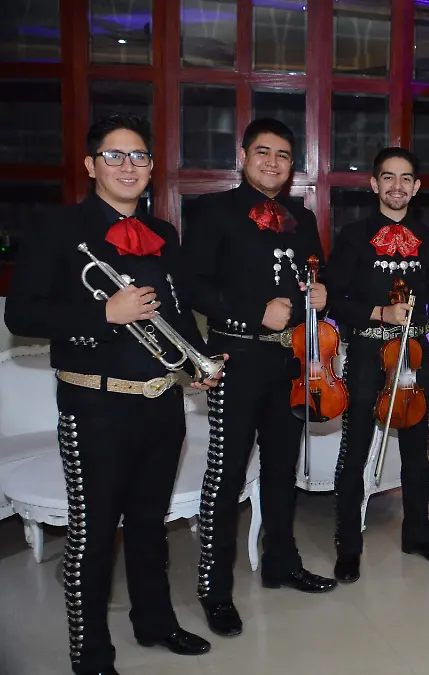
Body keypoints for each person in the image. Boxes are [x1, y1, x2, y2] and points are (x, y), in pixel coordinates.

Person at [5, 113, 215, 674]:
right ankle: (90, 652)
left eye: (140, 157)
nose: (129, 166)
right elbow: (23, 313)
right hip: (94, 406)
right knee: (93, 535)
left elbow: (174, 314)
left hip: (161, 403)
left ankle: (155, 623)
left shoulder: (164, 235)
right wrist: (104, 311)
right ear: (91, 164)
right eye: (116, 156)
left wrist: (197, 360)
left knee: (151, 527)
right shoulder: (55, 228)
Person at [181, 118, 338, 638]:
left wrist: (322, 293)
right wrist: (253, 312)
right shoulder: (212, 210)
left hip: (292, 363)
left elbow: (316, 275)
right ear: (243, 155)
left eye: (284, 155)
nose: (273, 162)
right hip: (236, 359)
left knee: (281, 469)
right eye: (263, 152)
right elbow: (193, 286)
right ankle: (215, 589)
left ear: (293, 166)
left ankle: (281, 563)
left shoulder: (302, 215)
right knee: (224, 477)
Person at [324, 147, 429, 582]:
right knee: (355, 449)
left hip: (416, 354)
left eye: (406, 179)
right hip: (366, 354)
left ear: (416, 187)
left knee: (418, 453)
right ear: (374, 184)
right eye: (388, 177)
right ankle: (348, 544)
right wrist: (379, 313)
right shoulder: (353, 235)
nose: (397, 186)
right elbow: (334, 301)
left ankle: (418, 533)